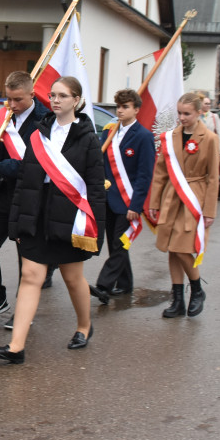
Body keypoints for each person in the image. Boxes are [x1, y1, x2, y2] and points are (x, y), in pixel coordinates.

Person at [0, 76, 105, 363]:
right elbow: (26, 182)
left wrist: (94, 230)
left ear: (76, 101)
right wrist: (16, 221)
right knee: (30, 276)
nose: (55, 100)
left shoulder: (87, 138)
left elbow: (94, 188)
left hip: (69, 217)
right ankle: (16, 347)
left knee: (72, 277)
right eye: (52, 95)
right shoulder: (38, 134)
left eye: (62, 96)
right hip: (37, 213)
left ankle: (84, 326)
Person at [0, 71, 48, 323]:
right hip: (3, 193)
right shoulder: (3, 116)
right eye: (8, 99)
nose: (13, 105)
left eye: (18, 100)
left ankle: (23, 311)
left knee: (24, 256)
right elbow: (1, 154)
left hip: (29, 197)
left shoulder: (44, 121)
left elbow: (33, 167)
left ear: (32, 95)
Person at [147, 92, 219, 317]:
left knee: (182, 248)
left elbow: (213, 177)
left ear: (199, 112)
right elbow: (160, 172)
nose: (182, 117)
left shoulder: (209, 138)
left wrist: (209, 211)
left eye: (187, 113)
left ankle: (197, 290)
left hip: (193, 197)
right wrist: (155, 201)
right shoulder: (170, 137)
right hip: (171, 196)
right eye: (179, 112)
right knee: (172, 248)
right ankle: (177, 299)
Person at [89, 88, 154, 302]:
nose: (120, 111)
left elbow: (145, 175)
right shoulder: (109, 133)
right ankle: (125, 284)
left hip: (128, 201)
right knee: (117, 243)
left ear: (136, 109)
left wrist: (136, 206)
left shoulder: (143, 137)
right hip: (109, 198)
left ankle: (104, 286)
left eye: (125, 107)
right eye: (118, 106)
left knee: (119, 244)